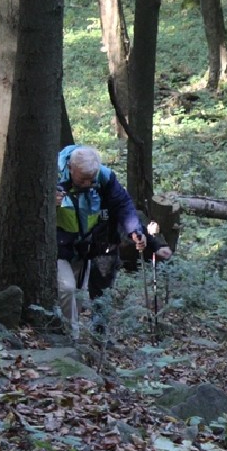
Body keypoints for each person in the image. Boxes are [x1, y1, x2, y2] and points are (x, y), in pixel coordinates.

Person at [56, 144, 171, 338]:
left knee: (81, 293)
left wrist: (136, 232)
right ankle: (70, 338)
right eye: (83, 179)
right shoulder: (53, 176)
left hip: (90, 245)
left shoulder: (104, 178)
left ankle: (93, 336)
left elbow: (123, 206)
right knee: (67, 288)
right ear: (70, 168)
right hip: (60, 244)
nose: (88, 183)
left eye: (91, 178)